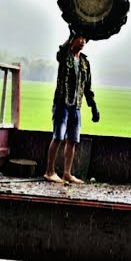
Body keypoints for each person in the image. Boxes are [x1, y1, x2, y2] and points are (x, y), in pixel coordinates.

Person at [44, 33, 100, 184]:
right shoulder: (64, 56)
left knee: (72, 140)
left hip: (76, 106)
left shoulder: (84, 62)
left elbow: (87, 88)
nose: (82, 41)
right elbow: (61, 49)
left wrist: (93, 106)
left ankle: (67, 174)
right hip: (62, 103)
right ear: (72, 40)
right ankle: (49, 172)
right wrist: (72, 29)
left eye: (84, 39)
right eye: (79, 38)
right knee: (58, 137)